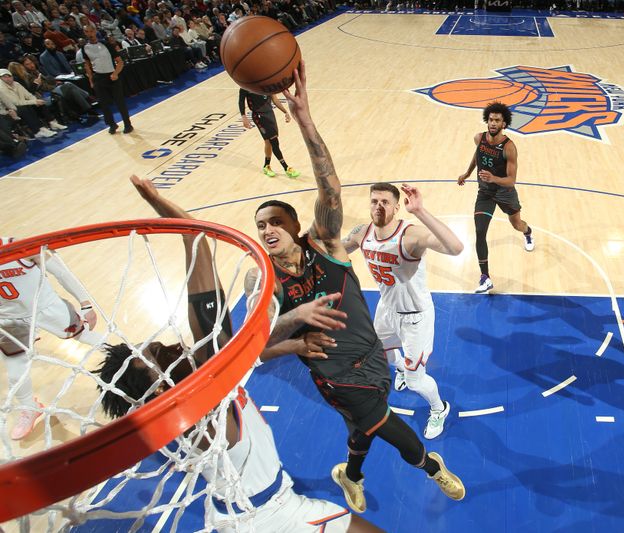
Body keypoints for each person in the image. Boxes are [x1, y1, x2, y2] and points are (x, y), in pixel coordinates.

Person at [95, 175, 381, 533]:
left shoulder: (185, 399)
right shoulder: (201, 403)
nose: (171, 345)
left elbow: (194, 238)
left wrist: (160, 204)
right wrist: (293, 319)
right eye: (159, 355)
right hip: (272, 517)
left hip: (241, 511)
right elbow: (229, 335)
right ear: (158, 389)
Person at [248, 62, 465, 514]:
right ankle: (431, 466)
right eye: (261, 225)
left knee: (362, 425)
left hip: (376, 346)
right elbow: (257, 348)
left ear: (296, 224)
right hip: (335, 373)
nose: (269, 230)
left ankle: (351, 474)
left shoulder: (328, 244)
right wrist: (293, 334)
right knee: (382, 422)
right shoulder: (264, 280)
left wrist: (305, 122)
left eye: (277, 221)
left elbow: (330, 189)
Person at [342, 182, 463, 439]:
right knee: (381, 353)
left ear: (397, 207)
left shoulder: (410, 235)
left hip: (415, 317)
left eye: (385, 202)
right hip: (386, 309)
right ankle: (400, 369)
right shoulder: (361, 233)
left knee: (417, 380)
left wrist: (420, 211)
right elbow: (334, 251)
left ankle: (439, 408)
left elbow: (456, 248)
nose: (379, 206)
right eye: (374, 201)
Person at [0, 235, 102, 440]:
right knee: (14, 372)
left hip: (47, 308)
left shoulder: (20, 245)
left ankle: (131, 360)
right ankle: (29, 408)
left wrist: (86, 304)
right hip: (10, 320)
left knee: (87, 338)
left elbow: (61, 273)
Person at [457, 101, 535, 294]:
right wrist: (467, 173)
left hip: (505, 193)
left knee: (517, 224)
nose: (492, 123)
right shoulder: (479, 138)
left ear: (504, 124)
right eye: (490, 119)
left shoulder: (509, 147)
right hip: (485, 193)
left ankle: (528, 232)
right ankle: (485, 277)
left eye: (497, 120)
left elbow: (511, 180)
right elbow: (478, 156)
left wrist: (494, 178)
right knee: (480, 231)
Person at [81, 24, 133, 134]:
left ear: (95, 31)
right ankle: (111, 124)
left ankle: (128, 124)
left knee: (120, 102)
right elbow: (87, 65)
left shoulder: (106, 44)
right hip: (98, 77)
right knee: (104, 104)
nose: (89, 34)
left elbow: (120, 62)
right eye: (87, 32)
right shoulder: (84, 48)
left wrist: (115, 73)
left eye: (91, 31)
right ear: (84, 33)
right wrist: (90, 80)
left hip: (112, 75)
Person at [239, 88, 300, 178]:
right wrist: (244, 117)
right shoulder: (246, 84)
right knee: (274, 141)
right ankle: (286, 168)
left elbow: (274, 99)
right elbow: (241, 101)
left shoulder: (266, 83)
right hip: (258, 116)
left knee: (268, 142)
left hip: (269, 114)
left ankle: (266, 166)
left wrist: (285, 112)